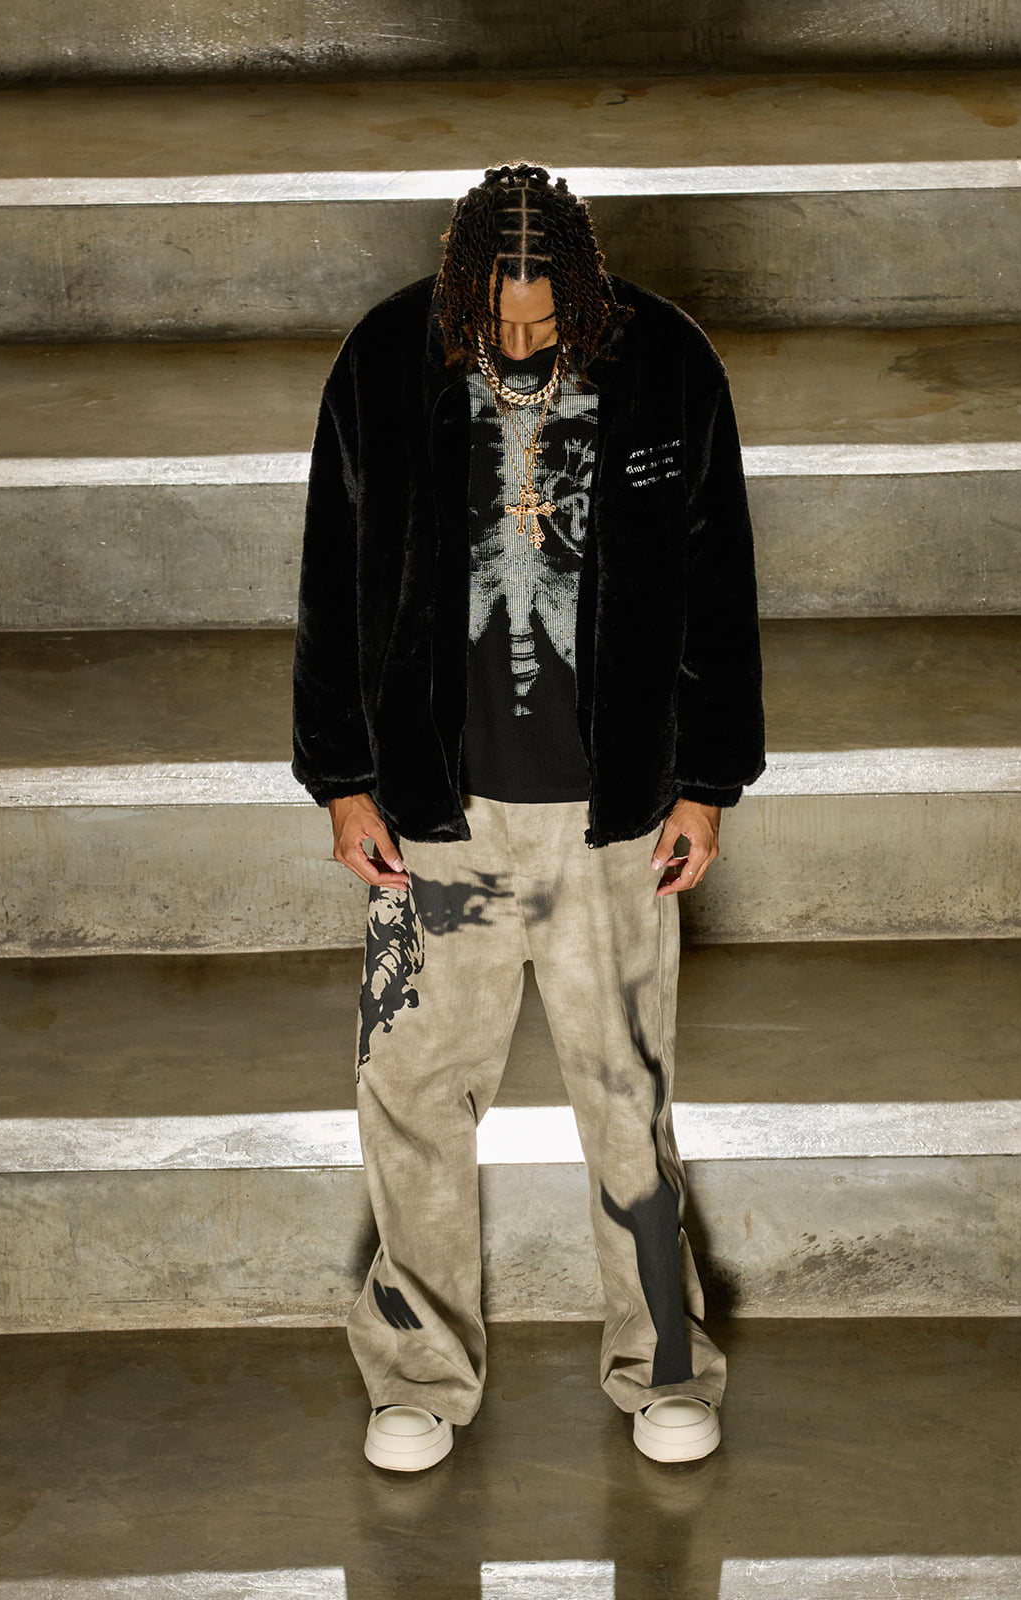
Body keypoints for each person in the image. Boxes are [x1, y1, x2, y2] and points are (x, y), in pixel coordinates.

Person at [291, 161, 765, 1471]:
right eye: (495, 320)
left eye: (543, 323)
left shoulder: (665, 362)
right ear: (460, 289)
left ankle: (664, 1366)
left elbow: (719, 574)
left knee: (628, 1096)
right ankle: (418, 1377)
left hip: (613, 819)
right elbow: (331, 571)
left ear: (584, 291)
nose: (517, 342)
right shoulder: (385, 360)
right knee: (415, 1098)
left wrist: (707, 781)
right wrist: (341, 779)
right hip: (435, 819)